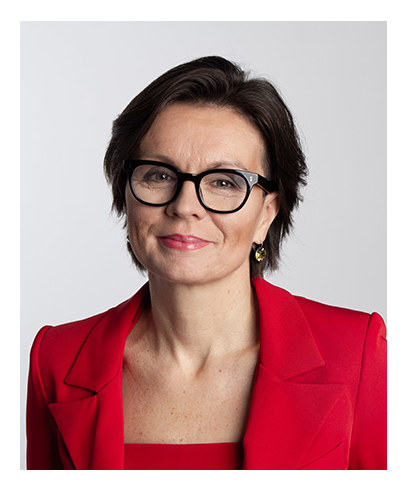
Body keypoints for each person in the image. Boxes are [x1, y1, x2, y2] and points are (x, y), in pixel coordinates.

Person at [26, 56, 386, 470]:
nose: (184, 206)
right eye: (159, 175)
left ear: (266, 215)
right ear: (125, 192)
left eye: (223, 182)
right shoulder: (56, 360)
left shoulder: (356, 355)